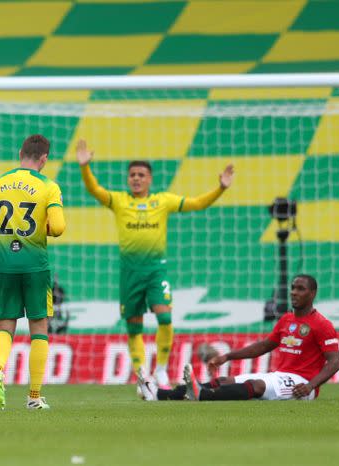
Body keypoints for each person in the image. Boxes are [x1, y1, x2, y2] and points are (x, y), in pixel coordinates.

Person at [77, 139, 234, 390]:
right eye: (132, 175)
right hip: (129, 274)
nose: (136, 178)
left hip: (155, 271)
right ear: (128, 179)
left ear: (150, 179)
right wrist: (85, 167)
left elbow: (197, 203)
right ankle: (142, 377)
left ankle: (161, 371)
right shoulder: (119, 201)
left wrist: (221, 188)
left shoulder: (162, 201)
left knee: (165, 317)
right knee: (134, 327)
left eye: (141, 175)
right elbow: (95, 190)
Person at [0, 134, 65, 410]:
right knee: (39, 329)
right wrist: (42, 226)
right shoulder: (49, 187)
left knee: (5, 326)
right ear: (44, 159)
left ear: (20, 153)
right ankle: (34, 396)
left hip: (4, 266)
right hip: (35, 266)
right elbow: (58, 228)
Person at [139, 274, 339, 401]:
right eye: (293, 288)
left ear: (312, 294)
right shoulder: (287, 319)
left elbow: (334, 363)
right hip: (280, 375)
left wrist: (310, 386)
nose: (294, 292)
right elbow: (263, 346)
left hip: (302, 384)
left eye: (301, 289)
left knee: (257, 386)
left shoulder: (322, 325)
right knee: (224, 380)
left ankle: (202, 395)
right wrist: (227, 356)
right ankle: (158, 394)